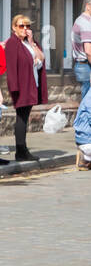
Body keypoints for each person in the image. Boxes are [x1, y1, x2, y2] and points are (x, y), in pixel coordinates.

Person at [4, 15, 46, 162]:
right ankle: (21, 151)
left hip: (31, 84)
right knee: (21, 118)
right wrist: (14, 88)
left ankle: (22, 150)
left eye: (27, 26)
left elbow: (42, 58)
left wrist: (32, 42)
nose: (25, 29)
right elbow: (11, 68)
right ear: (14, 27)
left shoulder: (28, 43)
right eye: (21, 26)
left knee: (24, 117)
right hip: (21, 86)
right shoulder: (12, 43)